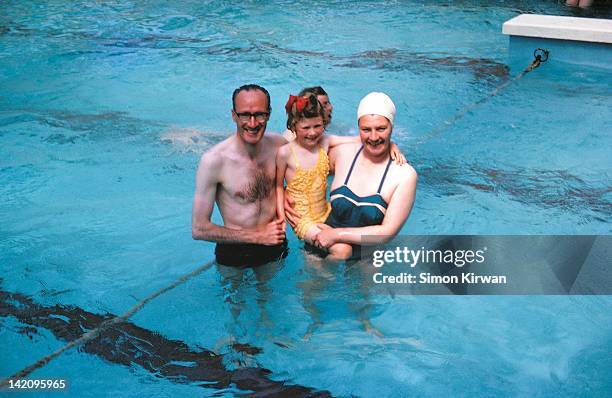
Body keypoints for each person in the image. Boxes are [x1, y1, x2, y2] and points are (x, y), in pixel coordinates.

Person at [286, 92, 417, 260]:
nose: (374, 137)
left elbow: (387, 232)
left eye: (381, 129)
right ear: (358, 128)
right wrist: (285, 192)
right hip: (321, 248)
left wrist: (337, 235)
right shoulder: (343, 153)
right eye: (366, 130)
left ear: (392, 127)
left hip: (365, 262)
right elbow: (301, 166)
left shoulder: (404, 175)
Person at [192, 84, 288, 267]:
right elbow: (199, 228)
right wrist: (258, 236)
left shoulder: (279, 146)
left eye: (259, 114)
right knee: (235, 296)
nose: (252, 123)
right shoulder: (214, 161)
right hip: (234, 249)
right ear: (234, 115)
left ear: (268, 114)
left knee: (270, 295)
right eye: (245, 114)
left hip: (274, 239)